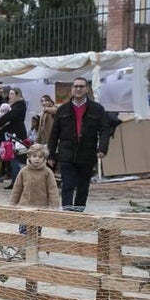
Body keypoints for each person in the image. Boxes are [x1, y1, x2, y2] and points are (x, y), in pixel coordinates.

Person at [48, 77, 111, 212]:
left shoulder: (97, 109)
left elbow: (105, 130)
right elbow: (54, 133)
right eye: (75, 86)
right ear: (71, 89)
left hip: (87, 153)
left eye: (81, 86)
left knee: (83, 187)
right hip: (67, 153)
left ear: (87, 89)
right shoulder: (63, 110)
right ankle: (68, 215)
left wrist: (102, 148)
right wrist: (51, 154)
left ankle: (78, 213)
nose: (78, 89)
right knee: (68, 185)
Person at [0, 87, 27, 188]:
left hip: (17, 134)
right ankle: (15, 181)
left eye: (12, 94)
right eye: (9, 94)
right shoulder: (13, 105)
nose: (9, 96)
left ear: (17, 95)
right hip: (12, 134)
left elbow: (10, 116)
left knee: (16, 158)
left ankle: (17, 182)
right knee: (12, 157)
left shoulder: (19, 104)